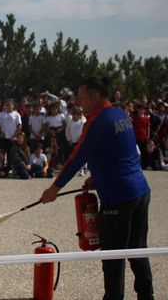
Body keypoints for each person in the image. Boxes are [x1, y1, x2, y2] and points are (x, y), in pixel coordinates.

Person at [40, 77, 153, 300]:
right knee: (139, 250)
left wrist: (55, 188)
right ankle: (147, 296)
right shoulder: (121, 115)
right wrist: (95, 177)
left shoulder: (97, 122)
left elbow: (76, 157)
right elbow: (120, 152)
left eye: (81, 97)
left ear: (95, 96)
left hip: (118, 197)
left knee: (113, 256)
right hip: (140, 191)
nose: (79, 102)